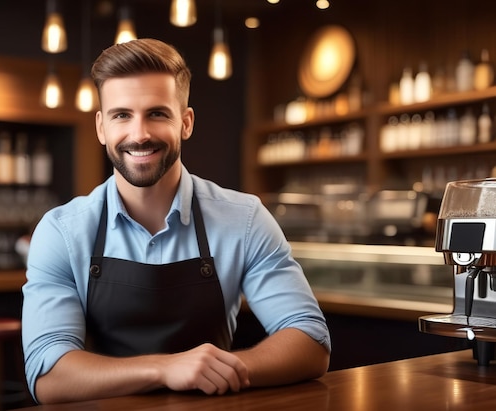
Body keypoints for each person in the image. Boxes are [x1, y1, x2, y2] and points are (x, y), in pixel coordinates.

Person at [22, 38, 331, 404]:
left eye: (157, 113)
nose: (139, 134)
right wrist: (167, 369)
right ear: (101, 127)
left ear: (186, 123)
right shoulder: (62, 231)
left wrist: (220, 370)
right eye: (122, 115)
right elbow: (48, 375)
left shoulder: (245, 219)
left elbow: (310, 339)